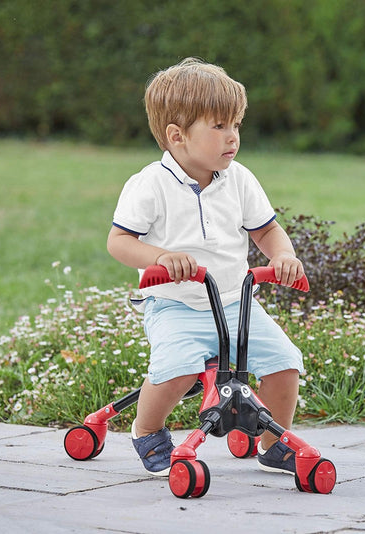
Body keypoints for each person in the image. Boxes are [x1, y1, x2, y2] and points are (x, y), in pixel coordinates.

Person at [107, 57, 305, 477]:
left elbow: (267, 230)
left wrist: (282, 255)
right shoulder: (149, 185)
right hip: (175, 303)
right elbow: (119, 242)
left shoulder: (239, 179)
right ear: (177, 136)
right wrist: (160, 257)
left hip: (235, 302)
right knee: (175, 372)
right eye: (219, 127)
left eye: (236, 125)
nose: (232, 138)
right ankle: (147, 429)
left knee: (285, 365)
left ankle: (273, 445)